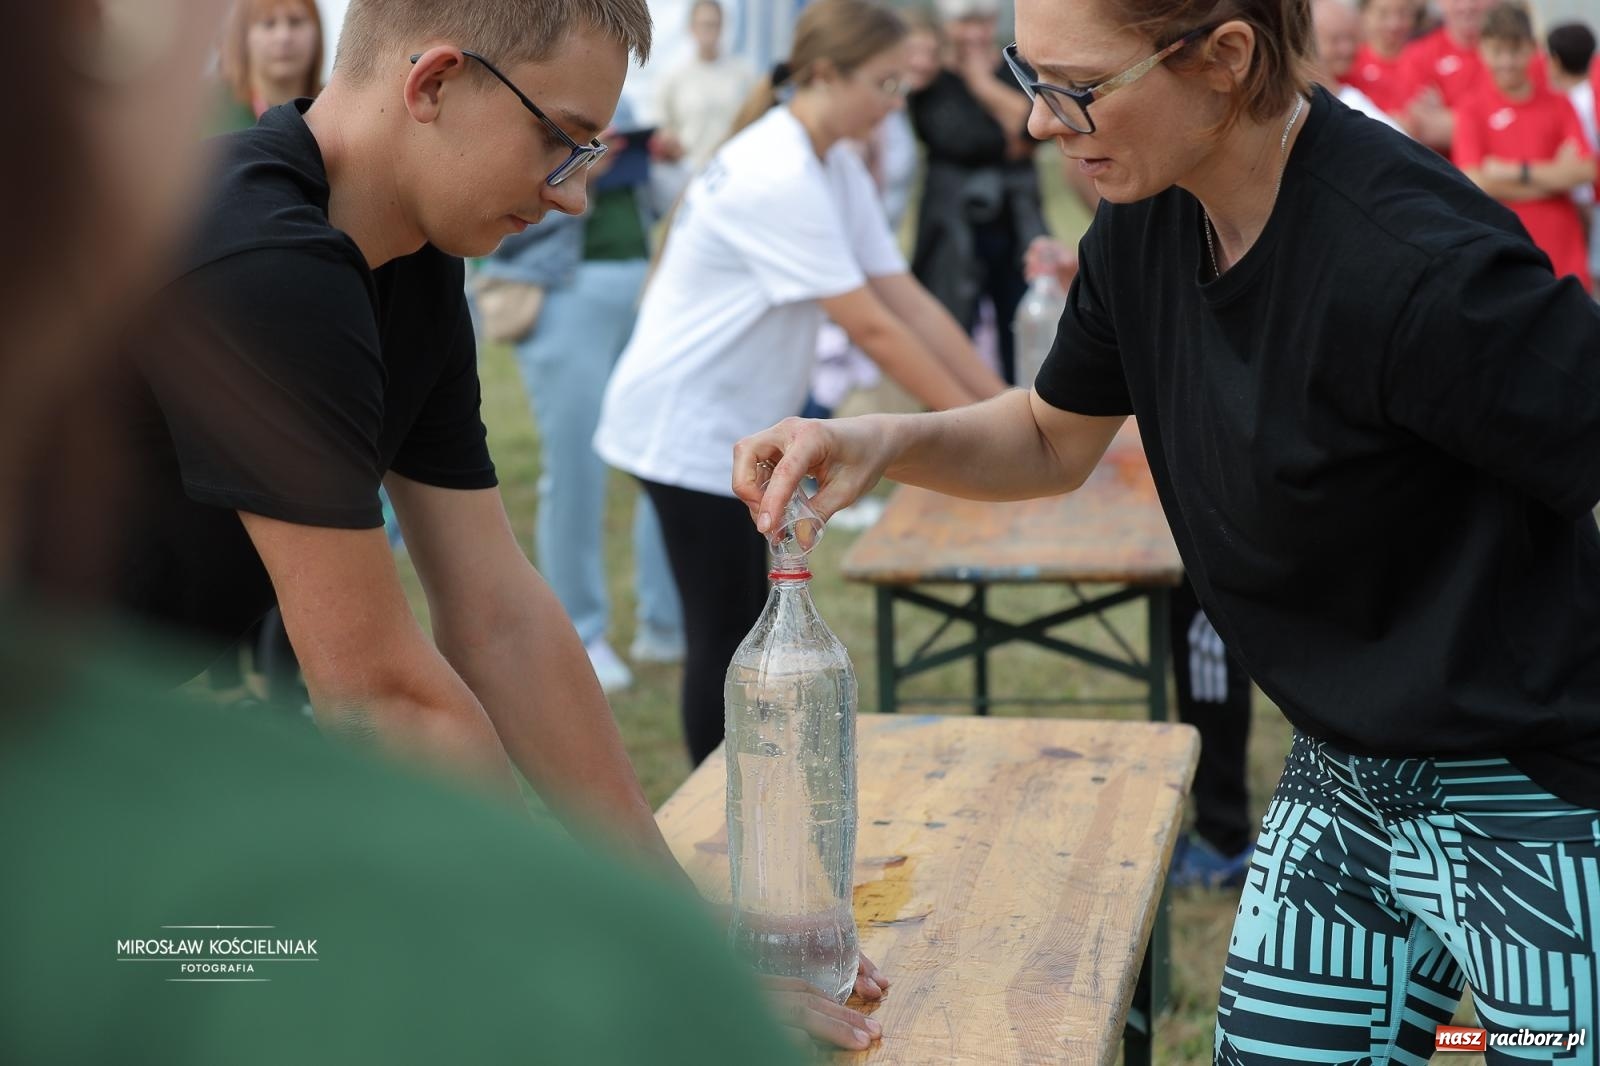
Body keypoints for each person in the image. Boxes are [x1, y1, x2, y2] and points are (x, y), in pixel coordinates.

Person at [0, 0, 861, 1061]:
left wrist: (672, 925)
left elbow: (498, 614)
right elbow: (377, 690)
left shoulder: (407, 256)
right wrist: (600, 963)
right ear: (433, 82)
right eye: (560, 138)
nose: (576, 190)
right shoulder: (263, 254)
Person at [737, 0, 1600, 1056]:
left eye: (1078, 87)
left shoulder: (1414, 266)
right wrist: (879, 437)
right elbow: (1053, 438)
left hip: (1535, 790)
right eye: (1027, 72)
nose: (1040, 122)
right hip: (1344, 771)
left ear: (1225, 59)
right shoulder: (1150, 214)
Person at [595, 0, 1007, 768]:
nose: (896, 104)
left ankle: (744, 801)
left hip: (725, 417)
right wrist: (997, 432)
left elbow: (903, 295)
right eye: (883, 84)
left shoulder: (831, 157)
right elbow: (874, 327)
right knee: (724, 635)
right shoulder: (779, 169)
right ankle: (720, 833)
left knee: (738, 625)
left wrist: (1009, 412)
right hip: (685, 426)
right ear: (824, 74)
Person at [477, 98, 684, 694]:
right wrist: (584, 161)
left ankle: (665, 621)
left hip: (642, 289)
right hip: (562, 295)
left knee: (660, 454)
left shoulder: (624, 88)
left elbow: (664, 200)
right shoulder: (524, 83)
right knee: (577, 467)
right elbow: (503, 208)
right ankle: (580, 633)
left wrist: (660, 155)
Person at [908, 0, 1046, 385]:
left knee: (1020, 327)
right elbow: (959, 139)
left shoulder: (1014, 67)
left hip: (1014, 222)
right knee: (949, 330)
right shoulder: (930, 78)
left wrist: (981, 84)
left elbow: (1035, 128)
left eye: (983, 21)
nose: (974, 33)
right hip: (952, 227)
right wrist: (1006, 130)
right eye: (964, 22)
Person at [1454, 2, 1595, 292]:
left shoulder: (1559, 104)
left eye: (1515, 51)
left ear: (1532, 49)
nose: (1506, 61)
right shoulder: (1471, 109)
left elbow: (1585, 169)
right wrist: (1555, 179)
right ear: (1482, 50)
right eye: (1497, 51)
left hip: (1565, 256)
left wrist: (1513, 171)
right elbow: (1476, 182)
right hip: (1505, 255)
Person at [1398, 0, 1544, 151]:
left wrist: (1451, 120)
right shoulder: (1417, 55)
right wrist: (1500, 122)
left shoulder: (1525, 56)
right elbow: (1421, 129)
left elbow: (1539, 128)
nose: (1467, 6)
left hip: (1509, 168)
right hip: (1448, 170)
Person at [652, 0, 756, 186]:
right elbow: (661, 126)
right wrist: (670, 144)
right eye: (704, 24)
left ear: (723, 26)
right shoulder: (674, 77)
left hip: (735, 172)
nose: (709, 30)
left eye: (714, 24)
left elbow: (753, 121)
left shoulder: (743, 74)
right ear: (692, 28)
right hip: (690, 175)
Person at [212, 0, 325, 132]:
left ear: (317, 32)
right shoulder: (213, 111)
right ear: (243, 37)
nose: (283, 36)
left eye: (295, 21)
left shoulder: (336, 110)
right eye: (269, 23)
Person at [1547, 20, 1600, 288]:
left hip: (1589, 198)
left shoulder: (1567, 104)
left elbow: (1579, 165)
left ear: (1554, 60)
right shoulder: (1591, 95)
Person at [1311, 0, 1403, 129]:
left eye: (1352, 38)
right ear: (1308, 43)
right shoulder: (1301, 97)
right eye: (1335, 40)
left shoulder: (1374, 78)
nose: (1347, 49)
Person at [1348, 0, 1419, 117]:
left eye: (1403, 13)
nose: (1394, 24)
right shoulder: (1350, 62)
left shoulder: (1428, 57)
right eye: (1383, 14)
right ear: (1364, 15)